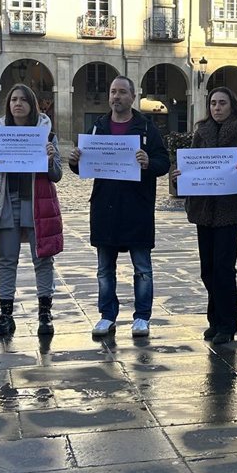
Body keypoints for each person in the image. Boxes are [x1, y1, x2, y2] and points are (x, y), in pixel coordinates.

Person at [69, 76, 170, 340]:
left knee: (142, 268)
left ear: (133, 97)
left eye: (122, 92)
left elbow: (163, 162)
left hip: (137, 206)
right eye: (113, 92)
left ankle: (141, 317)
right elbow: (85, 166)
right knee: (104, 268)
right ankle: (107, 315)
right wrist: (74, 161)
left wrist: (149, 162)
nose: (116, 97)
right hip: (106, 206)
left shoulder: (146, 128)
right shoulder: (98, 127)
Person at [171, 87, 237, 346]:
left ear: (232, 105)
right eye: (213, 103)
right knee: (207, 270)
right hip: (203, 209)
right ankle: (214, 320)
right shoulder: (201, 131)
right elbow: (189, 167)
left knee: (224, 269)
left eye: (222, 103)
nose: (216, 108)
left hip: (229, 210)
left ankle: (227, 324)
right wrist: (179, 178)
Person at [0, 83, 63, 339]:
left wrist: (50, 159)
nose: (18, 103)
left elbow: (56, 175)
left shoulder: (46, 135)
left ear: (32, 105)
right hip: (7, 201)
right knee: (6, 260)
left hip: (37, 202)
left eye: (23, 100)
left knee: (43, 258)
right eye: (13, 99)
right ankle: (5, 315)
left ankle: (44, 314)